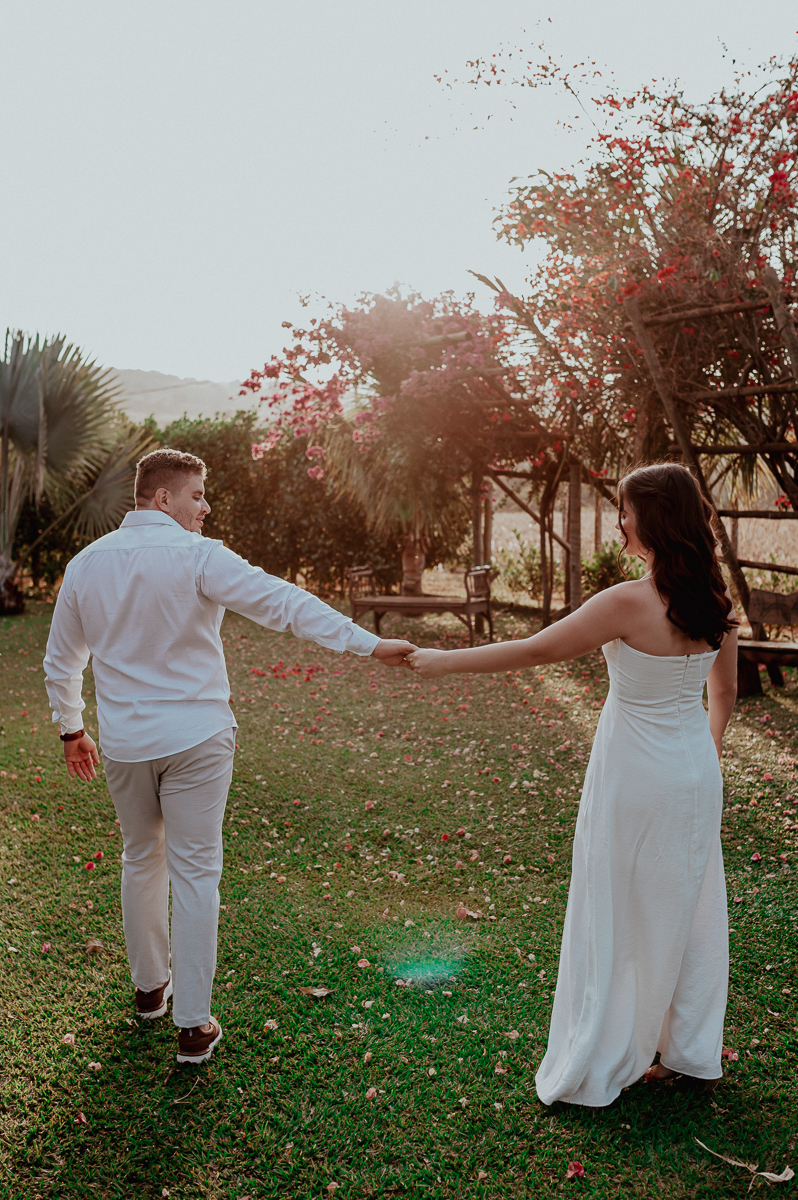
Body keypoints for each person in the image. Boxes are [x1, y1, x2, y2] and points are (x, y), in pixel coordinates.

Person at [43, 449, 416, 1064]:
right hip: (197, 738)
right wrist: (367, 644)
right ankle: (192, 1026)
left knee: (141, 858)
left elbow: (63, 659)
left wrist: (70, 730)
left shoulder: (86, 564)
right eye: (196, 495)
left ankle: (148, 993)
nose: (205, 506)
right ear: (162, 498)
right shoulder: (199, 556)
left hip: (126, 745)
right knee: (194, 874)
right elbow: (283, 603)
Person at [408, 463, 737, 1106]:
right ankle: (684, 1052)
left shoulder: (628, 601)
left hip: (636, 774)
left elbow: (538, 651)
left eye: (625, 510)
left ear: (652, 519)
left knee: (620, 905)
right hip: (694, 773)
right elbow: (722, 694)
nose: (620, 521)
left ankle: (617, 1047)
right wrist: (705, 758)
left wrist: (442, 662)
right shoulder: (716, 597)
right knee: (688, 908)